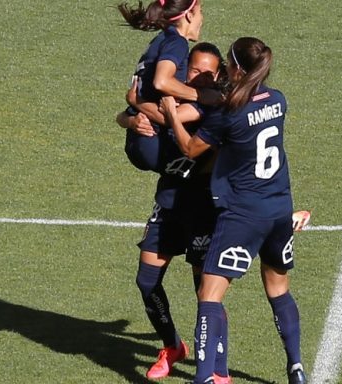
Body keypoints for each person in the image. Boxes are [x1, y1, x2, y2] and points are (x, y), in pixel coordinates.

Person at [161, 37, 308, 384]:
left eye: (228, 63)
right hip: (279, 210)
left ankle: (203, 378)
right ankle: (297, 368)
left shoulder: (230, 114)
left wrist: (170, 113)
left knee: (209, 295)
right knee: (279, 290)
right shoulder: (278, 100)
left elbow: (189, 147)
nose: (224, 69)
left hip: (243, 214)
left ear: (238, 69)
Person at [119, 42, 231, 382]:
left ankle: (219, 369)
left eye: (208, 72)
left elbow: (169, 115)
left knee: (206, 292)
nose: (200, 77)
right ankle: (172, 346)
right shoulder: (176, 98)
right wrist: (130, 119)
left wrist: (139, 102)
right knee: (146, 280)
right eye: (194, 70)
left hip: (203, 206)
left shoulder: (213, 107)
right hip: (169, 199)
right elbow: (131, 114)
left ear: (219, 76)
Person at [116, 0, 220, 173]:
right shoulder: (177, 43)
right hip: (157, 144)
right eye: (200, 11)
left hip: (139, 139)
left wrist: (134, 106)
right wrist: (201, 96)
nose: (202, 18)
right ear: (189, 15)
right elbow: (161, 82)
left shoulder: (161, 39)